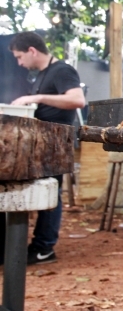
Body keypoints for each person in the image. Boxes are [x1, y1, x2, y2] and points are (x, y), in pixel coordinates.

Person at [2, 32, 85, 265]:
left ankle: (44, 248)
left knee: (50, 193)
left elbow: (78, 100)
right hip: (41, 141)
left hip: (56, 141)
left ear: (32, 51)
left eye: (20, 57)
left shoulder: (62, 70)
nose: (19, 63)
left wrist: (36, 97)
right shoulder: (41, 74)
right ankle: (37, 244)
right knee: (44, 192)